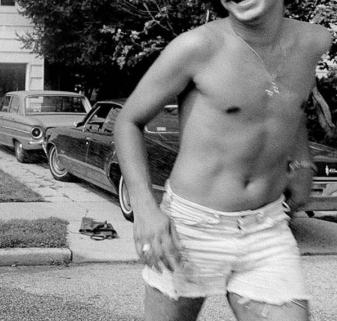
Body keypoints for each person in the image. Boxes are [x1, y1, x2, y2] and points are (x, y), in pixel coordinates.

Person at [113, 0, 332, 320]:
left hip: (266, 228)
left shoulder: (314, 42)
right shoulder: (196, 47)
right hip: (189, 228)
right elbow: (127, 122)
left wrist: (301, 161)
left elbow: (290, 103)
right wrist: (145, 209)